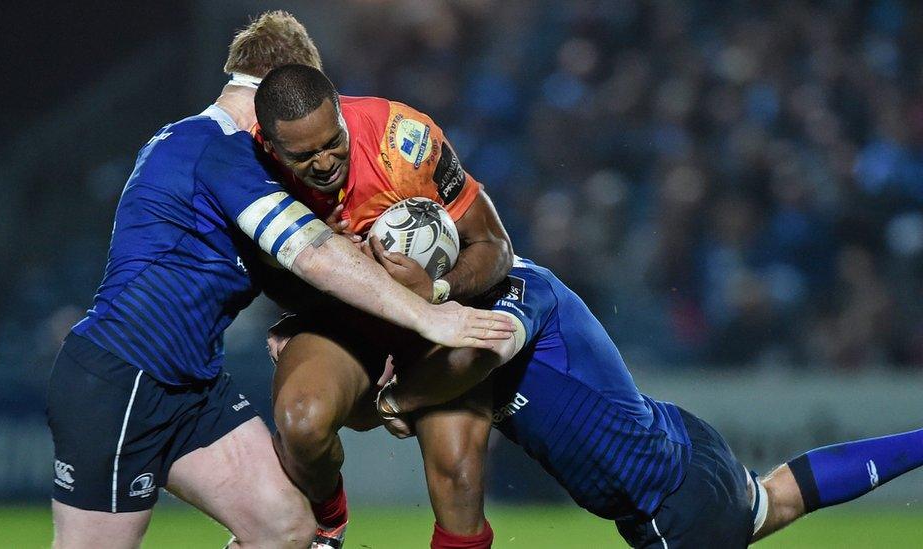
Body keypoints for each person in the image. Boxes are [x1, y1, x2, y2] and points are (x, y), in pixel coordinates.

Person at [46, 12, 514, 549]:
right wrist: (430, 314)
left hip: (192, 387)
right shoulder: (221, 148)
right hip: (124, 377)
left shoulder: (212, 150)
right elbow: (314, 255)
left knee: (287, 528)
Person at [374, 256, 923, 548]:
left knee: (773, 503)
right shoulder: (459, 325)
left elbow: (488, 350)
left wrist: (401, 399)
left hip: (667, 507)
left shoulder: (516, 290)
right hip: (686, 453)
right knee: (779, 498)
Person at [251, 64, 514, 548]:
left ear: (341, 114)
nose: (326, 162)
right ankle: (328, 527)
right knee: (300, 423)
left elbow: (495, 247)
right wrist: (319, 262)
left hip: (434, 322)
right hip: (342, 323)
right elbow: (265, 283)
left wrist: (436, 290)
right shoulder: (248, 170)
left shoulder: (403, 140)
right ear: (271, 147)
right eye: (304, 155)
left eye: (334, 141)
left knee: (458, 474)